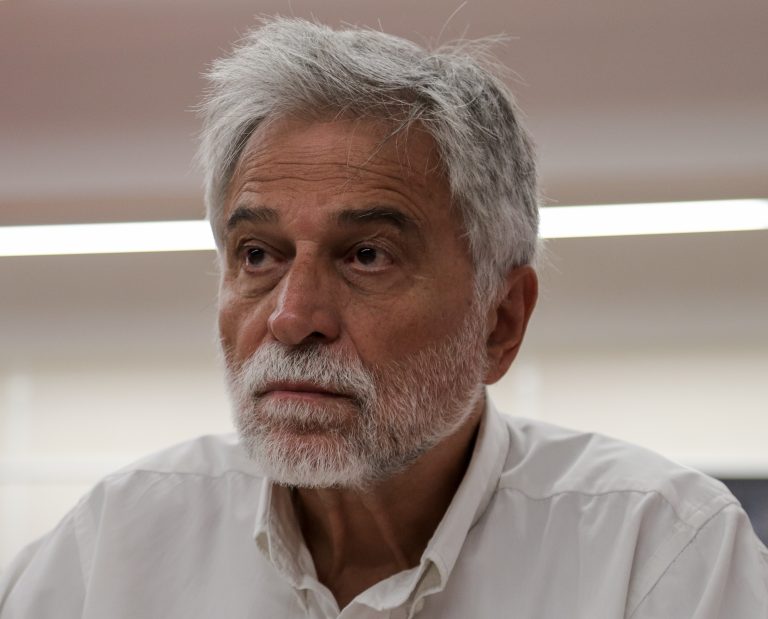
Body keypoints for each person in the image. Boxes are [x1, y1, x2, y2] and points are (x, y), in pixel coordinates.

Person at [1, 17, 766, 618]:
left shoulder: (661, 551)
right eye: (258, 254)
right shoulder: (114, 545)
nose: (292, 317)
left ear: (499, 321)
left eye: (367, 255)